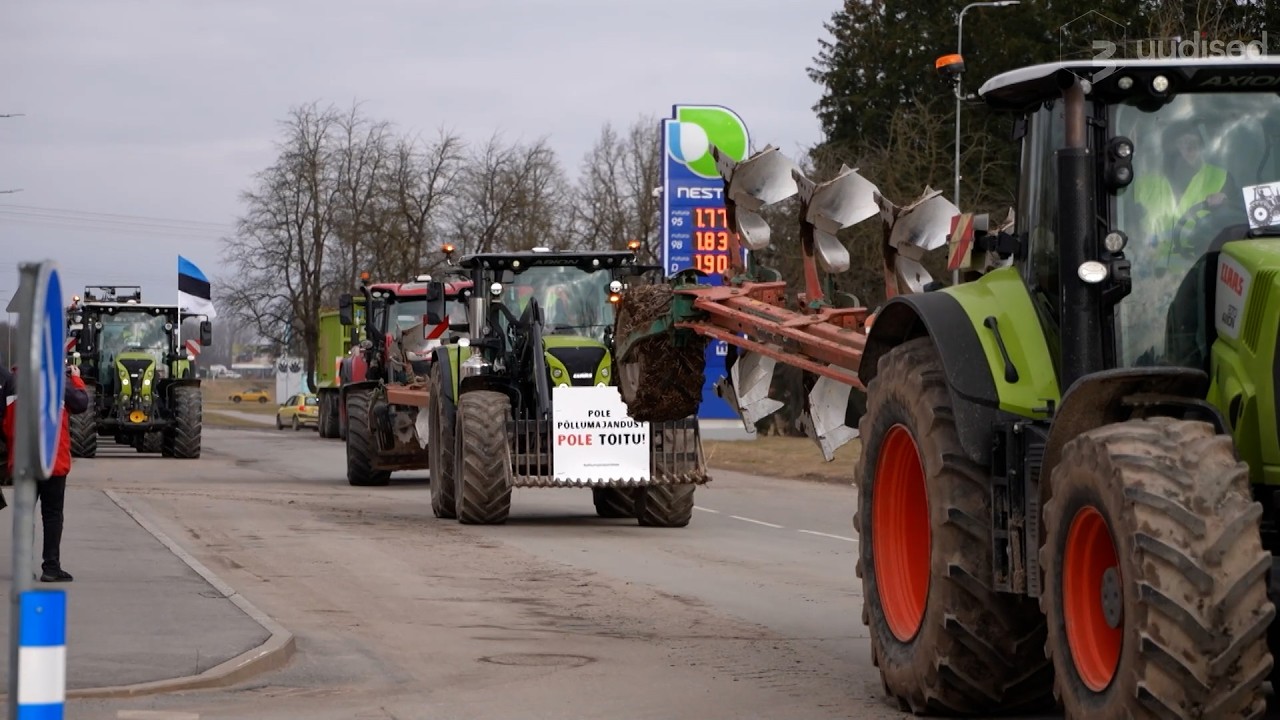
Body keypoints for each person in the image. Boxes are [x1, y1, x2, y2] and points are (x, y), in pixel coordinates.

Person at [3, 363, 90, 582]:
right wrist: (77, 379)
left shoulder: (12, 382)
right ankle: (51, 567)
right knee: (52, 514)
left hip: (23, 459)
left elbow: (2, 418)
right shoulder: (57, 380)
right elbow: (81, 403)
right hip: (52, 458)